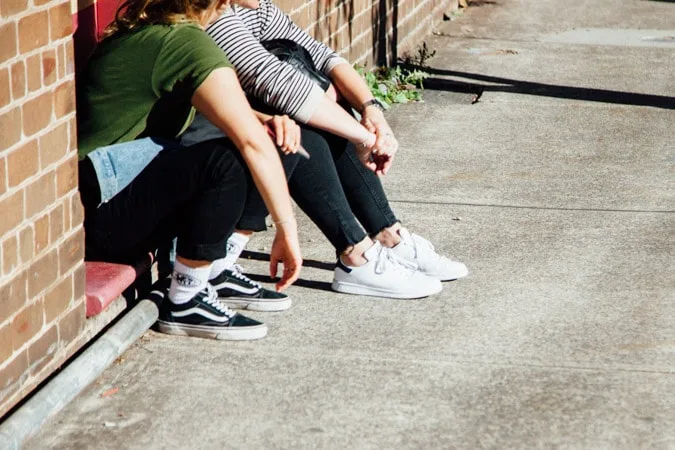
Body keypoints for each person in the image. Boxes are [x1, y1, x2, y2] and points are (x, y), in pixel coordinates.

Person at [180, 0, 468, 302]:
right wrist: (366, 140)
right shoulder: (210, 16)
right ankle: (355, 254)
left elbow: (323, 57)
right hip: (191, 149)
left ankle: (388, 236)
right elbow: (276, 83)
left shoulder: (253, 9)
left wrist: (373, 111)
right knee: (296, 119)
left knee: (323, 98)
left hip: (222, 137)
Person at [77, 0, 303, 340]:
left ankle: (216, 268)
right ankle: (186, 298)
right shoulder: (184, 42)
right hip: (95, 218)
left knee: (272, 140)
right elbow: (251, 144)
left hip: (115, 197)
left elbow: (219, 108)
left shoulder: (165, 31)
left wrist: (264, 119)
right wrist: (287, 231)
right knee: (225, 162)